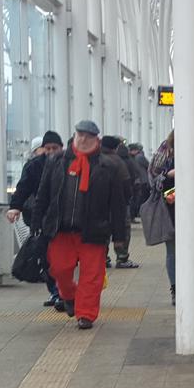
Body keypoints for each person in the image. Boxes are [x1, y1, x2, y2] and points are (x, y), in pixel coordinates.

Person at [31, 120, 129, 330]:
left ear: (97, 140)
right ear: (74, 136)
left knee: (92, 276)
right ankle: (68, 295)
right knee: (58, 268)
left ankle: (86, 314)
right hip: (61, 229)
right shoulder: (56, 161)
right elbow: (43, 194)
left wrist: (120, 237)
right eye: (80, 135)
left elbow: (118, 205)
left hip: (94, 230)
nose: (83, 140)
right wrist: (37, 223)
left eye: (89, 136)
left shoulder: (108, 166)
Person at [8, 130, 64, 308]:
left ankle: (62, 291)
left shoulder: (68, 163)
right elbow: (23, 187)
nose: (50, 151)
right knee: (46, 257)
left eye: (54, 147)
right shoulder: (34, 166)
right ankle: (56, 292)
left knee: (61, 258)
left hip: (63, 220)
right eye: (47, 148)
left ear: (61, 147)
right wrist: (15, 207)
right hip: (40, 219)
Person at [100, 136, 140, 269]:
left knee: (102, 229)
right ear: (115, 147)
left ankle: (102, 257)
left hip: (100, 204)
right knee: (123, 227)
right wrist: (128, 198)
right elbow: (126, 182)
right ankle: (122, 257)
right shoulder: (118, 161)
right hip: (119, 202)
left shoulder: (95, 159)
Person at [150, 132, 176, 305]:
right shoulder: (164, 155)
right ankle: (176, 288)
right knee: (173, 251)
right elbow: (155, 182)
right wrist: (168, 175)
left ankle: (193, 287)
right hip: (170, 209)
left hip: (191, 209)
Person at [127, 143, 151, 218]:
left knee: (139, 198)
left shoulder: (133, 158)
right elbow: (148, 165)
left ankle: (136, 213)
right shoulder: (140, 157)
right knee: (142, 198)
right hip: (143, 179)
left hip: (138, 180)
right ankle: (140, 212)